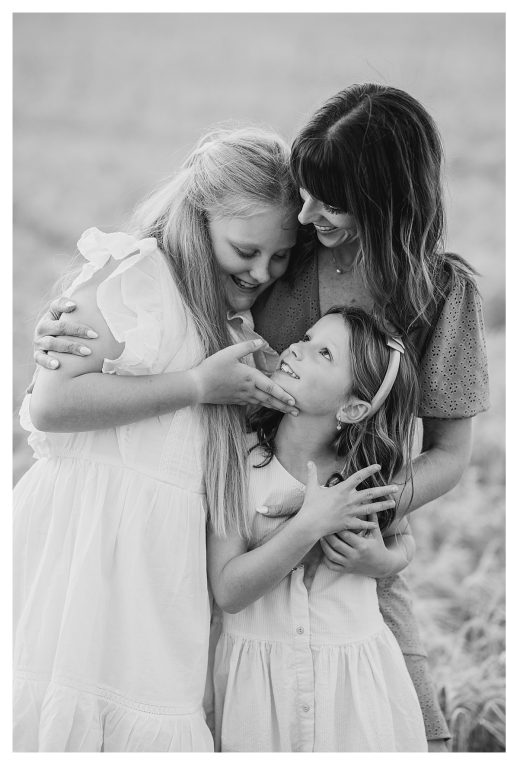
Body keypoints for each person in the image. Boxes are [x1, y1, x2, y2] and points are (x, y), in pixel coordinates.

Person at [33, 84, 490, 750]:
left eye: (328, 201)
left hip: (354, 545)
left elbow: (450, 453)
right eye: (305, 193)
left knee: (405, 725)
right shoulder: (288, 254)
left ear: (384, 201)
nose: (306, 213)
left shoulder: (441, 293)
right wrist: (74, 319)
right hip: (238, 523)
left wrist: (350, 512)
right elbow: (186, 268)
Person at [13, 126, 326, 751]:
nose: (262, 272)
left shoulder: (230, 317)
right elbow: (51, 405)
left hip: (161, 565)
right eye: (245, 250)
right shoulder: (138, 280)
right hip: (87, 547)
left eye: (280, 256)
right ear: (198, 218)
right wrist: (196, 385)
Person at [208, 306, 427, 752]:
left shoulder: (367, 476)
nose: (296, 348)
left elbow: (403, 540)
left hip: (352, 687)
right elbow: (228, 591)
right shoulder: (238, 461)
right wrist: (308, 526)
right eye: (307, 337)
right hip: (260, 693)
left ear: (353, 407)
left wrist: (381, 562)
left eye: (324, 353)